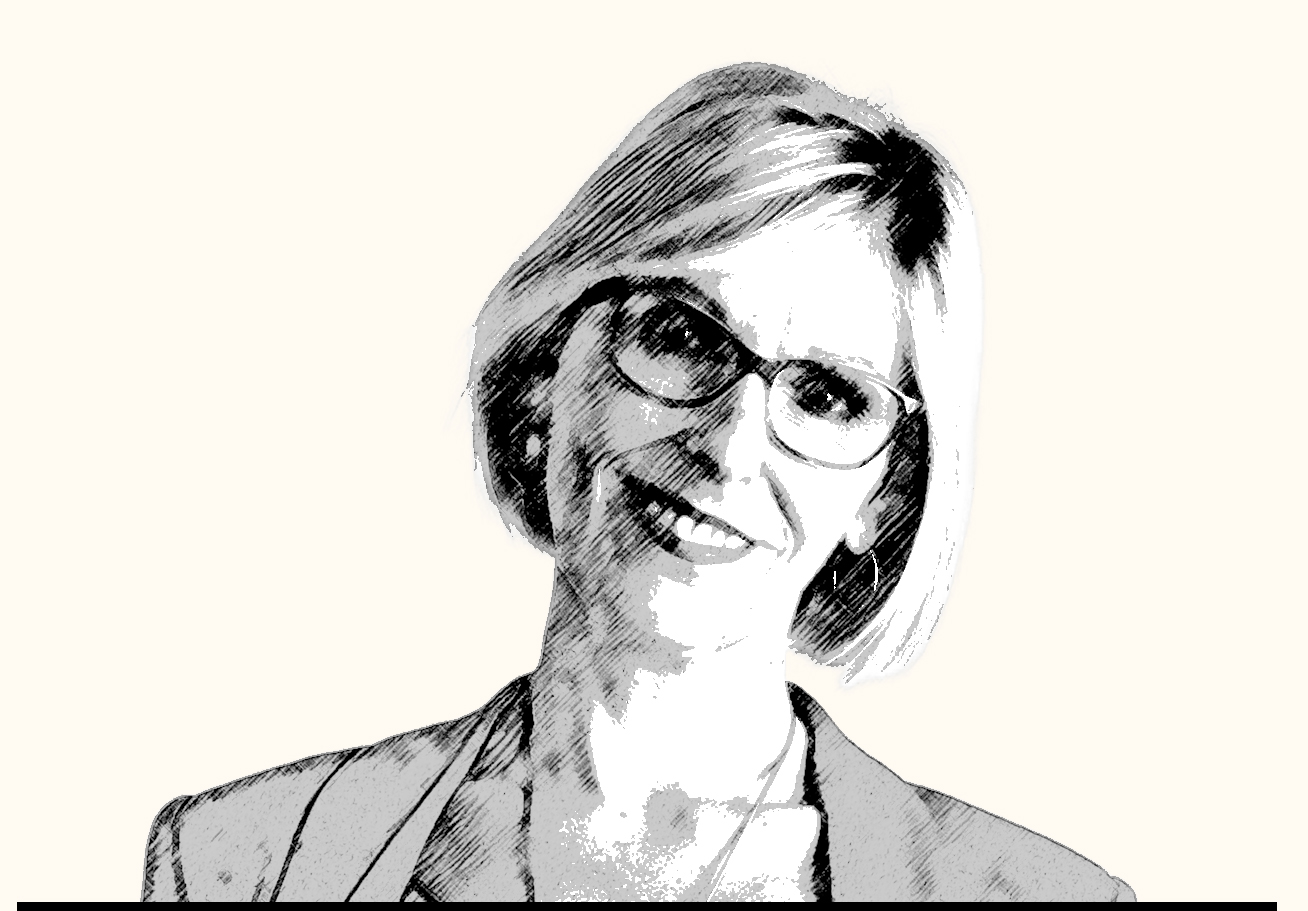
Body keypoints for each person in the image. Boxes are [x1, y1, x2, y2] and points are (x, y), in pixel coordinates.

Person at [140, 62, 1135, 902]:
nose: (731, 446)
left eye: (826, 396)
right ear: (547, 368)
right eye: (682, 335)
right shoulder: (242, 859)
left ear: (885, 493)